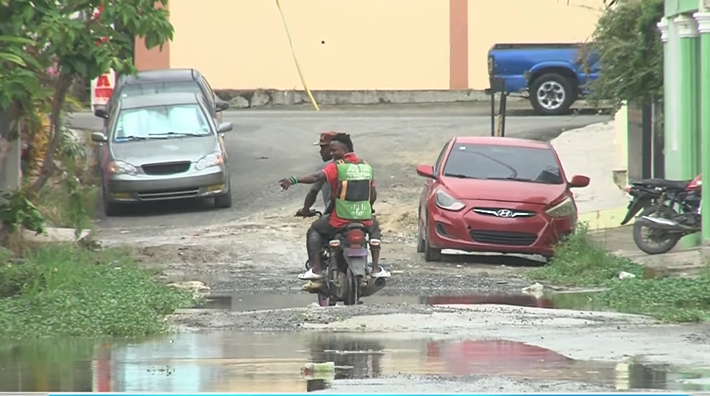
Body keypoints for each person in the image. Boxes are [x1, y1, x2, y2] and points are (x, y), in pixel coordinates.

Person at [279, 133, 390, 280]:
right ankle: (376, 268)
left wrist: (293, 180)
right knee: (374, 228)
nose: (332, 154)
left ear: (344, 150)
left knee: (315, 229)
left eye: (334, 150)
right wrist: (367, 208)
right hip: (364, 218)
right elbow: (373, 194)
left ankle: (317, 269)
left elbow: (316, 178)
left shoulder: (337, 167)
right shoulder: (366, 166)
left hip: (340, 219)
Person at [296, 131, 337, 218]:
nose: (320, 152)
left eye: (323, 148)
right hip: (361, 214)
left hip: (335, 216)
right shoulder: (360, 164)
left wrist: (305, 210)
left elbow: (313, 192)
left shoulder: (325, 168)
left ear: (333, 147)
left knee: (314, 230)